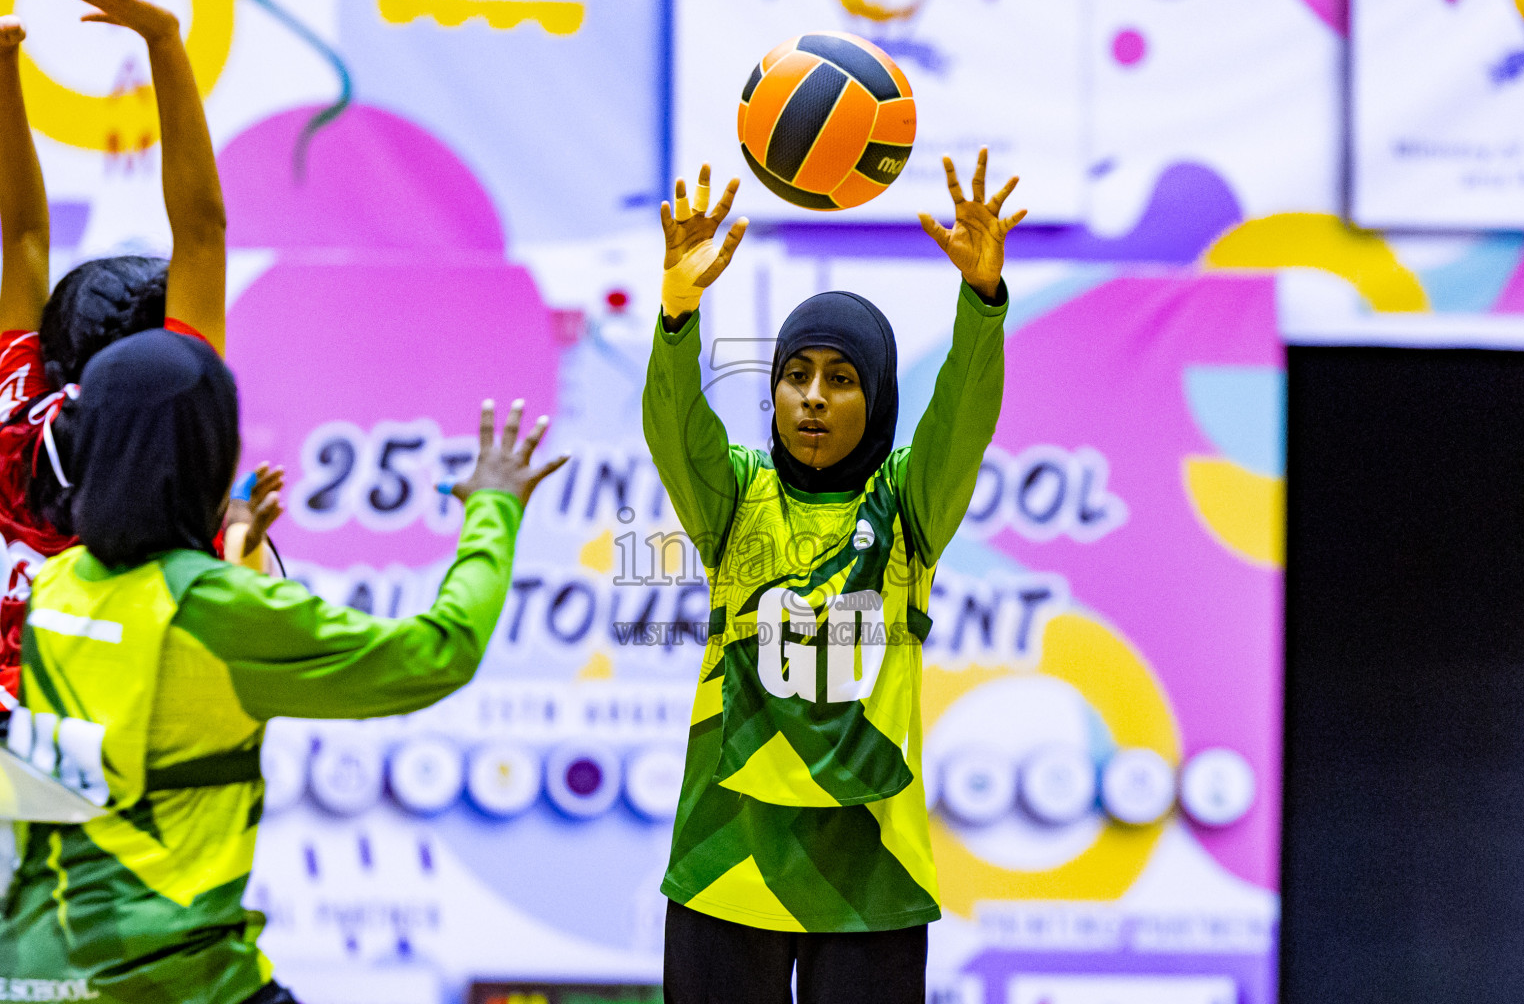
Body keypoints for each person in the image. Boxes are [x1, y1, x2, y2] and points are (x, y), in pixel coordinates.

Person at [0, 329, 567, 1004]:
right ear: (207, 453)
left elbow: (164, 703)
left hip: (34, 967)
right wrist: (493, 508)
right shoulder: (213, 607)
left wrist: (236, 546)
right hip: (166, 977)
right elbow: (439, 652)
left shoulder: (59, 585)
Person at [643, 151, 1026, 1003]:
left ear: (879, 397)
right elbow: (674, 428)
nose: (813, 397)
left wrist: (982, 304)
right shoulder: (737, 496)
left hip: (870, 873)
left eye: (842, 379)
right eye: (795, 374)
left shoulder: (908, 510)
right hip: (724, 863)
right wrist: (678, 311)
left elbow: (964, 416)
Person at [0, 0, 282, 718]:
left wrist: (3, 70)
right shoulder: (160, 426)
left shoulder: (16, 407)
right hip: (101, 738)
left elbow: (25, 235)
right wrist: (164, 44)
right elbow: (202, 234)